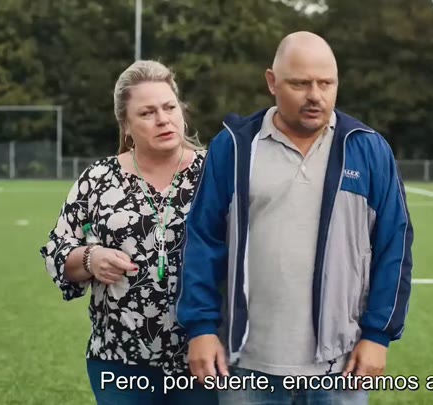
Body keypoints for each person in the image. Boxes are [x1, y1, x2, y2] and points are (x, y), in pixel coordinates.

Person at [176, 31, 414, 404]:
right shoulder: (235, 148)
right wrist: (201, 328)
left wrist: (378, 335)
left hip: (341, 367)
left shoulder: (368, 149)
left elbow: (394, 247)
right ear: (272, 82)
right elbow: (203, 240)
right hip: (247, 365)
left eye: (326, 83)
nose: (315, 95)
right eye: (300, 84)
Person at [39, 60, 218, 405]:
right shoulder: (99, 179)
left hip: (203, 357)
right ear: (126, 125)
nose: (163, 119)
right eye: (147, 113)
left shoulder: (216, 172)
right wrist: (90, 258)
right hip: (119, 360)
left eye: (169, 107)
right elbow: (57, 250)